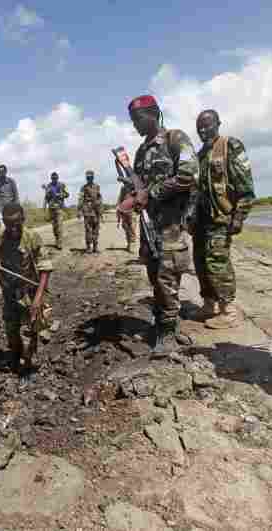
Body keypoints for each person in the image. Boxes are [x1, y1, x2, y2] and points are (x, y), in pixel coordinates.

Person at [116, 94, 198, 354]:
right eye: (132, 120)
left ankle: (168, 332)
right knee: (155, 276)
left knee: (167, 276)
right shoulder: (141, 151)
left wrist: (149, 193)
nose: (135, 125)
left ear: (153, 114)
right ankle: (166, 325)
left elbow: (188, 175)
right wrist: (130, 199)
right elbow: (140, 185)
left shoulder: (176, 139)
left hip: (171, 224)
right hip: (149, 225)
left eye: (137, 119)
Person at [191, 109, 256, 329]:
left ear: (218, 123)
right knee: (200, 262)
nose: (203, 130)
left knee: (217, 262)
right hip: (201, 220)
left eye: (207, 125)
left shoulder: (230, 146)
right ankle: (209, 304)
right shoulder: (200, 154)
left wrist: (239, 216)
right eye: (199, 127)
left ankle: (228, 310)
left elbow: (246, 186)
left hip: (221, 218)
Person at [0, 203, 52, 374]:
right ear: (3, 221)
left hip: (28, 292)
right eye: (8, 223)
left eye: (16, 223)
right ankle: (16, 355)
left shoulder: (32, 237)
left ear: (23, 219)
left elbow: (45, 269)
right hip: (8, 290)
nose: (12, 228)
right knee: (11, 328)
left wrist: (37, 299)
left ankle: (29, 364)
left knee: (31, 328)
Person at [77, 170, 103, 253]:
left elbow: (100, 198)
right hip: (87, 210)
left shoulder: (97, 186)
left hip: (96, 211)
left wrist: (100, 210)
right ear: (86, 178)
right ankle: (88, 247)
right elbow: (80, 199)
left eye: (90, 177)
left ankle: (95, 247)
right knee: (88, 230)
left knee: (96, 229)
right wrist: (79, 210)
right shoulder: (83, 188)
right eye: (88, 177)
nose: (89, 179)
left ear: (93, 177)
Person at [43, 172, 69, 249]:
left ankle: (60, 243)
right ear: (51, 178)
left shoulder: (61, 185)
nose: (54, 179)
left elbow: (67, 194)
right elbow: (46, 197)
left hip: (59, 208)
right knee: (54, 227)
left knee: (59, 225)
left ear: (57, 178)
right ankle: (57, 239)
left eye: (55, 178)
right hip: (51, 208)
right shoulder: (49, 186)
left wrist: (60, 195)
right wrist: (44, 206)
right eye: (53, 178)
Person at [0, 164, 18, 230]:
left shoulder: (11, 181)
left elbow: (16, 195)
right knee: (2, 227)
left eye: (2, 171)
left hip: (11, 207)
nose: (1, 173)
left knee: (15, 226)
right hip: (1, 208)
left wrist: (16, 206)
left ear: (6, 171)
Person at [116, 179, 137, 252]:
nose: (125, 183)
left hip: (132, 210)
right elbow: (120, 198)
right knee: (126, 227)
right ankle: (129, 243)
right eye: (124, 182)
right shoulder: (123, 189)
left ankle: (132, 244)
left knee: (132, 227)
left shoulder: (134, 187)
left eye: (126, 182)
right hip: (124, 210)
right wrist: (118, 207)